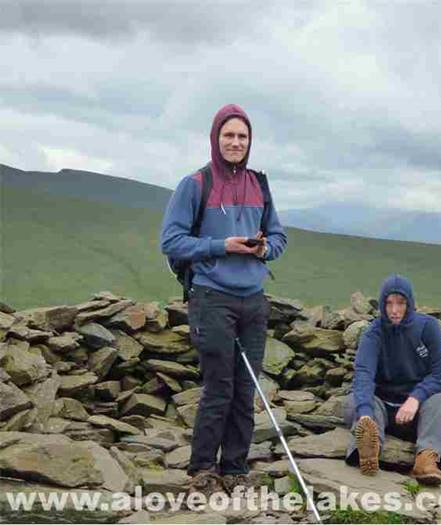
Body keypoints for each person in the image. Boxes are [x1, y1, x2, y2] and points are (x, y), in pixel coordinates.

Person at [160, 104, 287, 496]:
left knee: (246, 388)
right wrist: (222, 245)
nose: (235, 142)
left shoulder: (259, 185)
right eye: (228, 135)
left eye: (242, 137)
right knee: (219, 385)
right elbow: (170, 240)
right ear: (216, 138)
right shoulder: (195, 184)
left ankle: (234, 467)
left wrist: (264, 249)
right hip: (212, 297)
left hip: (253, 299)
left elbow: (280, 238)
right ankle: (202, 468)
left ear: (250, 142)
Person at [343, 274, 441, 486]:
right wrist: (365, 414)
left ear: (410, 303)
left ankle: (427, 460)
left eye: (400, 303)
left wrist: (415, 398)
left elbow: (440, 373)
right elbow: (364, 374)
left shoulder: (427, 327)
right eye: (389, 303)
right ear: (382, 305)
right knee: (354, 402)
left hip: (415, 411)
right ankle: (367, 449)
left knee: (438, 402)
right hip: (381, 406)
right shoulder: (373, 333)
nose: (394, 310)